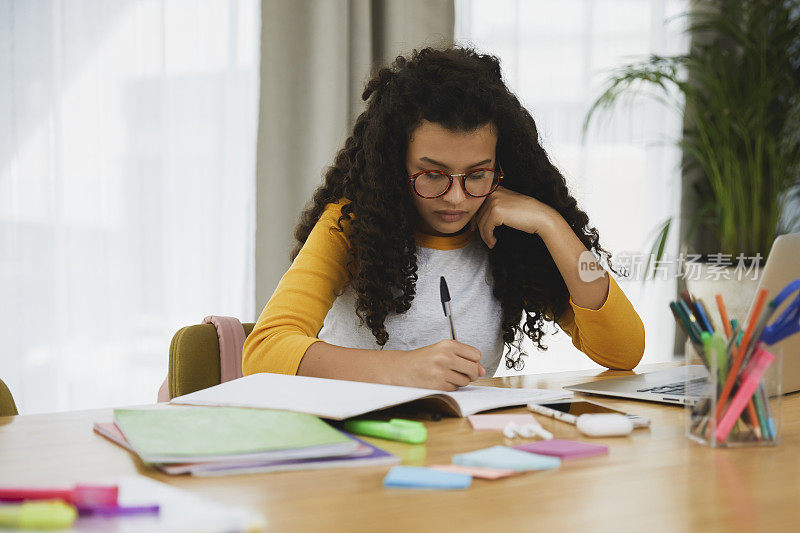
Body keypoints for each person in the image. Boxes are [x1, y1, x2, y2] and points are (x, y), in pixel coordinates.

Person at [242, 46, 645, 391]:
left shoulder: (514, 235)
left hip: (460, 450)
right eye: (433, 175)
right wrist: (404, 369)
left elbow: (624, 352)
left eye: (477, 174)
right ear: (395, 165)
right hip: (352, 449)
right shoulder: (351, 225)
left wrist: (552, 225)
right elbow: (264, 351)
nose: (455, 197)